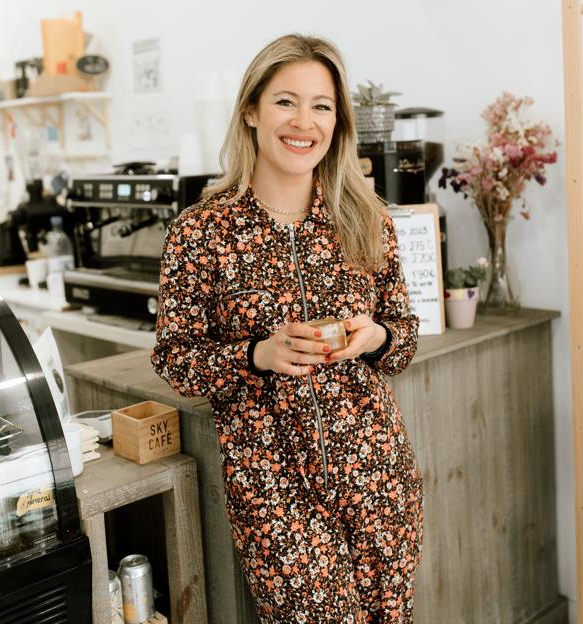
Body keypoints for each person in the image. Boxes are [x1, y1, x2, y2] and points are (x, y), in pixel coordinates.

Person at [152, 33, 423, 624]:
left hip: (376, 468)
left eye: (322, 105)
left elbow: (404, 335)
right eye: (285, 102)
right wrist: (257, 354)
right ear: (251, 110)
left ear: (338, 120)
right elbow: (174, 360)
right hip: (272, 484)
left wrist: (377, 338)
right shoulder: (202, 231)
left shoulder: (369, 219)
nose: (305, 122)